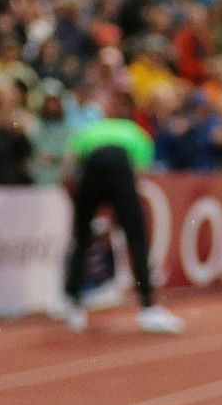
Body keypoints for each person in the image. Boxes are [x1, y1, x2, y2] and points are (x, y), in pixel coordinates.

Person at [59, 114, 184, 334]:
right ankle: (148, 307)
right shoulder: (138, 135)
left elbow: (68, 170)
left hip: (92, 168)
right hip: (120, 168)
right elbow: (138, 174)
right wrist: (124, 215)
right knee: (137, 239)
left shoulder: (87, 132)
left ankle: (73, 303)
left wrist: (81, 210)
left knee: (81, 238)